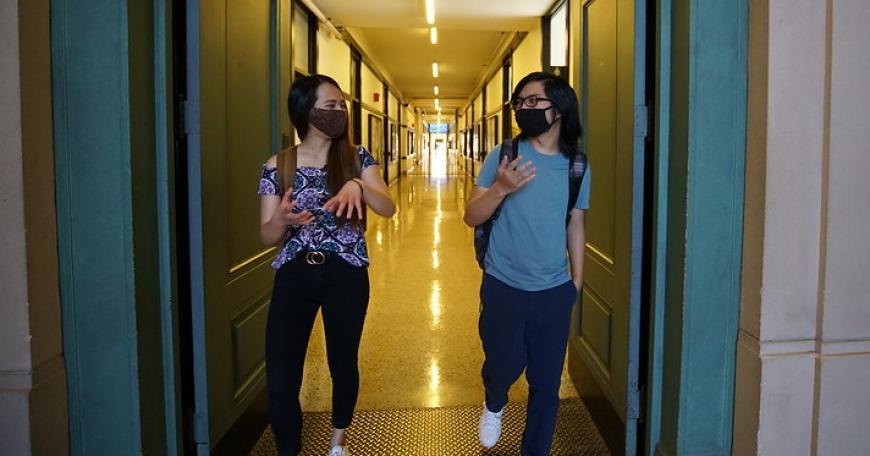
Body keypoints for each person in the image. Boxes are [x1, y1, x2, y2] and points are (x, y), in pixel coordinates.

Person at [258, 74, 396, 456]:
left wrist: (360, 186)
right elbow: (267, 236)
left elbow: (388, 207)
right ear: (305, 110)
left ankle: (339, 443)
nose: (339, 112)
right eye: (329, 105)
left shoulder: (357, 157)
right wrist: (282, 221)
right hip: (294, 274)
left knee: (343, 362)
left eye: (341, 106)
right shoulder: (277, 165)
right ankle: (290, 449)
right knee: (282, 376)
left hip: (346, 274)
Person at [463, 72, 591, 456]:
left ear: (560, 107)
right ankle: (495, 399)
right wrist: (501, 188)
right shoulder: (503, 156)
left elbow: (576, 224)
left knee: (546, 384)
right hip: (503, 283)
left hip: (553, 289)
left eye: (533, 101)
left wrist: (576, 284)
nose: (524, 109)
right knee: (503, 364)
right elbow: (471, 215)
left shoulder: (576, 166)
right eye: (520, 102)